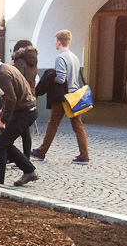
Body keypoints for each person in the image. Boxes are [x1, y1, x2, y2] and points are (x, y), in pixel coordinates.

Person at [0, 49, 39, 187]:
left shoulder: (2, 74)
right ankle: (28, 170)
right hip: (27, 109)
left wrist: (3, 120)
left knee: (0, 144)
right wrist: (2, 111)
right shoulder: (7, 68)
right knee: (5, 143)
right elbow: (13, 96)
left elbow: (11, 99)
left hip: (24, 112)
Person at [31, 29, 90, 164]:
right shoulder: (74, 57)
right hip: (74, 95)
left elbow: (61, 78)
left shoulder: (60, 57)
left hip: (63, 97)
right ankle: (84, 155)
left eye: (56, 41)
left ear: (59, 42)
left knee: (53, 124)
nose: (55, 43)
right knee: (78, 126)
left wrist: (51, 78)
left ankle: (41, 152)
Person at [10, 39, 39, 158]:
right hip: (31, 94)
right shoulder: (33, 61)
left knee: (12, 128)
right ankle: (25, 156)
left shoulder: (20, 61)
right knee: (24, 130)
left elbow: (17, 78)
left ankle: (14, 157)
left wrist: (11, 68)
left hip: (21, 96)